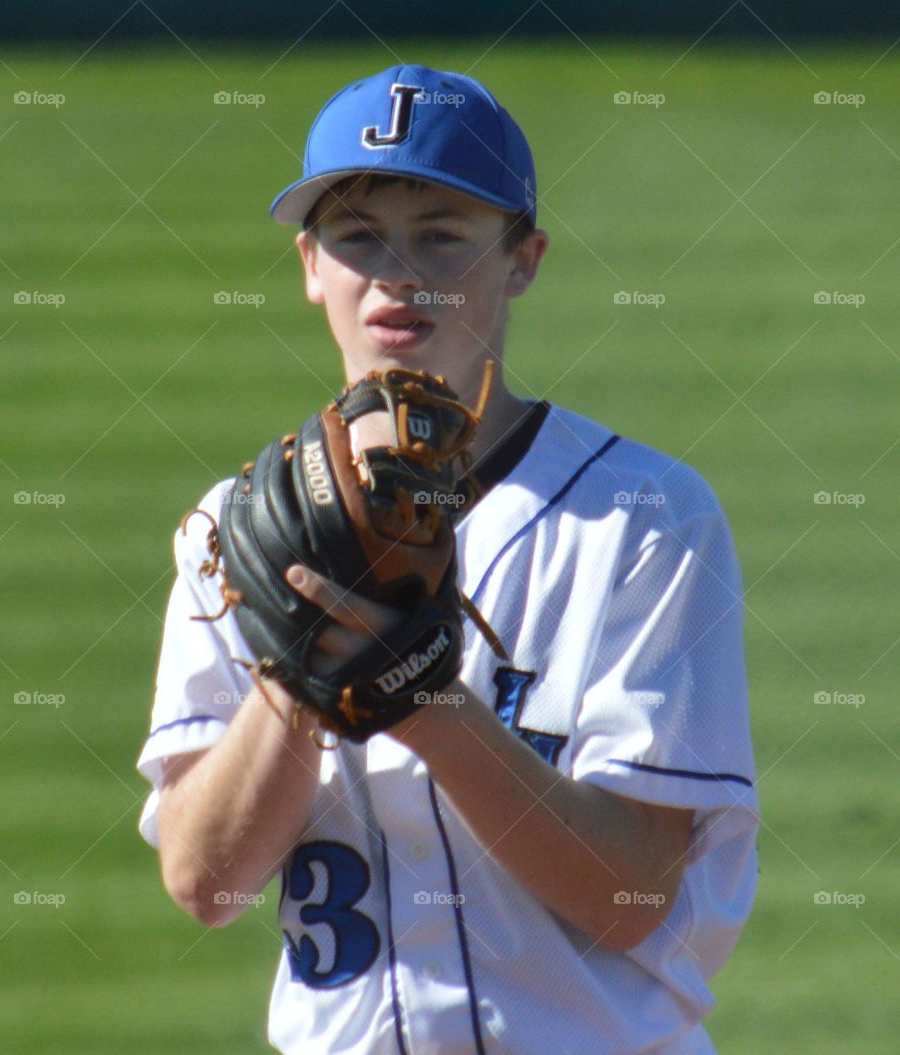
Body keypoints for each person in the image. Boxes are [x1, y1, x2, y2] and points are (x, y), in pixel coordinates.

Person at [136, 63, 759, 1055]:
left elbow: (634, 893)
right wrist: (298, 676)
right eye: (357, 236)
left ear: (523, 258)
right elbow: (205, 881)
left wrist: (427, 699)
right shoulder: (235, 533)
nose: (396, 272)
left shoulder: (642, 518)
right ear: (310, 265)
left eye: (441, 236)